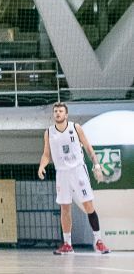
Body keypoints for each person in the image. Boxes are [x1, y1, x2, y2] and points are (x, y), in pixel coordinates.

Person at [39, 102, 110, 255]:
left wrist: (96, 165)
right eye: (56, 111)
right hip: (61, 173)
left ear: (66, 114)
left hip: (78, 170)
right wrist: (41, 166)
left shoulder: (75, 128)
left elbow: (88, 147)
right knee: (65, 208)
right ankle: (67, 244)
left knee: (88, 205)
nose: (58, 113)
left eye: (60, 111)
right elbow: (46, 154)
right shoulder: (49, 132)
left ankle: (98, 241)